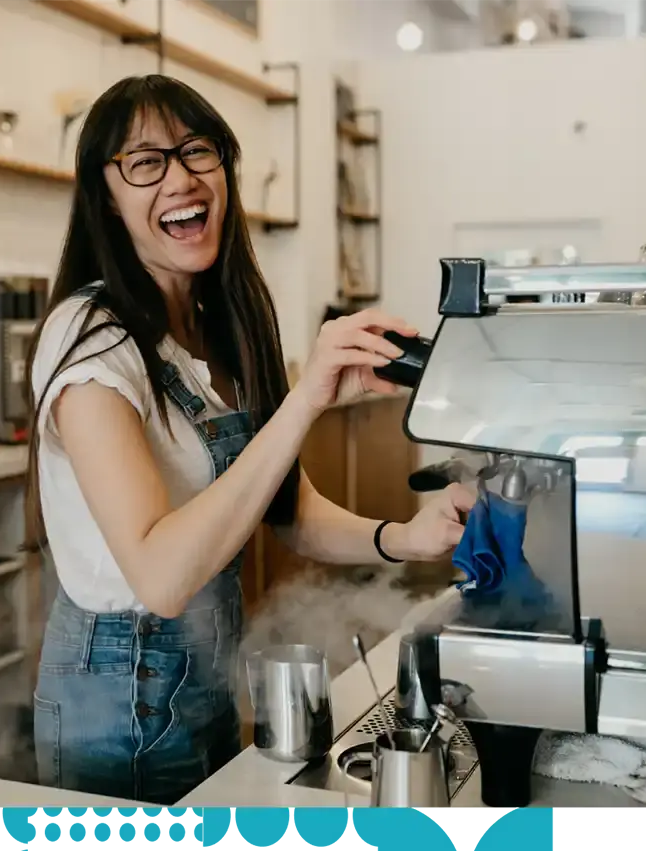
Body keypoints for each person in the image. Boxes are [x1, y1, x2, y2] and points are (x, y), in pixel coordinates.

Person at [25, 74, 475, 806]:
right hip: (118, 695)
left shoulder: (219, 327)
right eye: (145, 162)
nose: (181, 178)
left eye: (197, 151)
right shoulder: (91, 338)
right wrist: (305, 401)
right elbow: (162, 578)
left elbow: (288, 511)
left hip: (205, 679)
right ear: (105, 197)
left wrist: (406, 537)